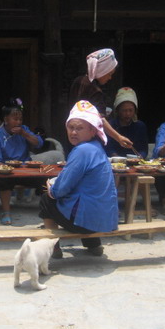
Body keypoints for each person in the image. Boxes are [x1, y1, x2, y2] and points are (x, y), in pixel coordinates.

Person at [40, 100, 118, 259]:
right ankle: (94, 245)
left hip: (85, 223)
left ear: (92, 130)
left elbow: (60, 189)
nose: (73, 132)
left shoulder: (82, 151)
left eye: (79, 128)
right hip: (105, 220)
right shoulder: (96, 148)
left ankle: (53, 248)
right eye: (71, 127)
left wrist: (51, 187)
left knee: (46, 199)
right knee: (85, 198)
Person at [68, 48, 133, 151]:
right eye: (109, 74)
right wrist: (119, 138)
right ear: (103, 70)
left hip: (72, 137)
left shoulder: (78, 81)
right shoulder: (94, 91)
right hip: (87, 142)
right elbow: (100, 119)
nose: (110, 78)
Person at [0, 98, 44, 225]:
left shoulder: (24, 129)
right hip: (8, 171)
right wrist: (3, 167)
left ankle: (47, 210)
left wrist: (24, 134)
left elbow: (39, 143)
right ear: (6, 120)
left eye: (20, 119)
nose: (18, 122)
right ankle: (6, 212)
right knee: (2, 180)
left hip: (26, 168)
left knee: (46, 179)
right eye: (15, 119)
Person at [105, 87, 148, 158]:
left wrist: (140, 157)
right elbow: (109, 148)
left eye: (131, 110)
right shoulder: (110, 125)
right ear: (117, 111)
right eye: (124, 110)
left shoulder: (140, 126)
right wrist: (117, 158)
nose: (128, 114)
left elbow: (144, 149)